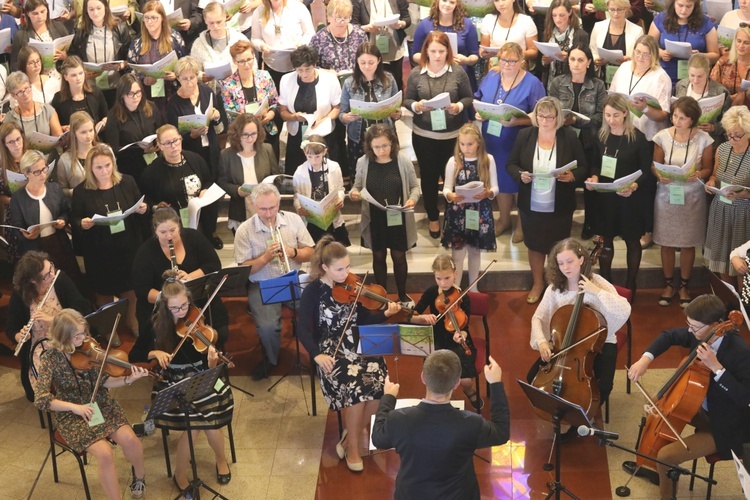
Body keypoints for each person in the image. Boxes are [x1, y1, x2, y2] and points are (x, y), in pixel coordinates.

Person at [626, 294, 750, 500]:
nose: (690, 331)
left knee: (666, 456)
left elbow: (745, 397)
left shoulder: (740, 352)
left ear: (716, 325)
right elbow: (668, 336)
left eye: (695, 327)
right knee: (656, 411)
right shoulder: (701, 334)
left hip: (726, 426)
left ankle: (667, 493)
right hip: (700, 408)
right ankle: (653, 468)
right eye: (689, 325)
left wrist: (717, 369)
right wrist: (644, 359)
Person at [298, 236, 400, 472]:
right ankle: (354, 446)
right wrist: (316, 355)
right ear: (324, 267)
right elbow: (302, 328)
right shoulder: (313, 292)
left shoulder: (353, 287)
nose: (346, 274)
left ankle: (347, 439)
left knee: (378, 386)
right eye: (339, 269)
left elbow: (364, 319)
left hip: (360, 341)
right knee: (355, 387)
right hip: (330, 348)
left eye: (348, 267)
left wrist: (386, 314)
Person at [129, 274, 233, 494]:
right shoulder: (155, 323)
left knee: (204, 421)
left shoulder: (198, 315)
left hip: (203, 375)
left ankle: (216, 461)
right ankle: (186, 472)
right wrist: (154, 352)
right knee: (197, 425)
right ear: (166, 307)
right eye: (175, 309)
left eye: (185, 305)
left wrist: (213, 360)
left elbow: (215, 344)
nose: (182, 312)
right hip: (173, 381)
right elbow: (134, 354)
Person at [34, 309, 149, 500]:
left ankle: (139, 477)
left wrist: (129, 379)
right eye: (77, 335)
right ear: (63, 337)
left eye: (83, 333)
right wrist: (74, 407)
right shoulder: (50, 359)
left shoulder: (89, 349)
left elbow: (105, 381)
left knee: (131, 440)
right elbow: (41, 399)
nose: (83, 338)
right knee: (104, 453)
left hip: (99, 403)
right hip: (72, 414)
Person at [371, 350, 510, 499]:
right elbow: (501, 432)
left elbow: (378, 438)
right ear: (457, 383)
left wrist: (388, 398)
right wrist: (495, 384)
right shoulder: (471, 423)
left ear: (423, 378)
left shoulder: (398, 419)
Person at [526, 238, 631, 415]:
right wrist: (542, 341)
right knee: (532, 377)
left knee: (603, 386)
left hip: (598, 343)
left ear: (581, 259)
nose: (566, 267)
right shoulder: (555, 288)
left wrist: (595, 291)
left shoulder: (597, 282)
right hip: (564, 343)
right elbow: (538, 317)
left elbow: (624, 308)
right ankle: (558, 412)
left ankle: (582, 420)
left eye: (570, 261)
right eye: (560, 263)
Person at [506, 97, 588, 304]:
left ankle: (556, 285)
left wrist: (572, 177)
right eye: (540, 115)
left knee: (559, 248)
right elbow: (511, 164)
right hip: (531, 203)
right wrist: (521, 175)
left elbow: (583, 167)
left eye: (549, 116)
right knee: (534, 245)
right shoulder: (525, 135)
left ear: (558, 118)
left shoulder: (569, 137)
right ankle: (537, 283)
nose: (544, 120)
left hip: (559, 204)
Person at [234, 183, 315, 379]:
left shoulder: (294, 220)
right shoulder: (244, 230)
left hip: (293, 279)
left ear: (278, 203)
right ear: (253, 205)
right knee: (268, 327)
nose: (269, 214)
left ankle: (318, 356)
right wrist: (265, 258)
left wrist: (293, 252)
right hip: (262, 285)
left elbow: (311, 252)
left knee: (320, 310)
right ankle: (271, 360)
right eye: (263, 209)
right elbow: (243, 270)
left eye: (272, 207)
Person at [71, 144, 147, 334]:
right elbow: (75, 218)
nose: (104, 171)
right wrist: (82, 223)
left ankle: (132, 319)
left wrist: (143, 209)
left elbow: (139, 203)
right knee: (103, 290)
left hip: (127, 246)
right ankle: (109, 328)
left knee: (130, 286)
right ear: (90, 168)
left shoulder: (127, 182)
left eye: (107, 165)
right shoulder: (81, 191)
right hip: (99, 251)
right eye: (99, 167)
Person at [474, 42, 545, 243]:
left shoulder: (532, 83)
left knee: (518, 185)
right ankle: (504, 220)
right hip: (492, 141)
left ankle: (522, 225)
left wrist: (517, 121)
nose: (506, 64)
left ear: (522, 61)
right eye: (503, 59)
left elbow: (541, 115)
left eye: (512, 61)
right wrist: (478, 112)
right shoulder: (492, 75)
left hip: (518, 142)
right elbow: (477, 98)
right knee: (499, 182)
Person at [404, 31, 473, 240]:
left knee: (453, 177)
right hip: (424, 135)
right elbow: (407, 100)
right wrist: (416, 106)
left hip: (451, 136)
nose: (437, 55)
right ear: (426, 51)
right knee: (429, 177)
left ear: (448, 51)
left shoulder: (458, 72)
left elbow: (468, 97)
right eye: (432, 51)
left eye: (441, 51)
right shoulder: (417, 72)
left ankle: (454, 216)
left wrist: (459, 106)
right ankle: (433, 216)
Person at [132, 206, 230, 347]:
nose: (169, 236)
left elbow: (213, 264)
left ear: (179, 225)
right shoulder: (145, 252)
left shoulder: (194, 237)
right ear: (155, 231)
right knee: (169, 340)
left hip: (198, 298)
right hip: (165, 307)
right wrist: (169, 297)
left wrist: (190, 277)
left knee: (220, 331)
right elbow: (141, 290)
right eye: (163, 232)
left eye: (173, 230)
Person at [586, 94, 653, 294]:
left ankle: (630, 284)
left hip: (630, 198)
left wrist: (632, 186)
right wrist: (594, 177)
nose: (611, 120)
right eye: (607, 115)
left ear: (625, 113)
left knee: (632, 241)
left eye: (616, 115)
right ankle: (607, 283)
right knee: (606, 239)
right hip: (606, 197)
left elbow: (645, 170)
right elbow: (595, 164)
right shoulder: (601, 135)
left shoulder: (638, 138)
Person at [609, 34, 671, 248]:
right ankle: (624, 225)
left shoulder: (661, 76)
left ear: (654, 55)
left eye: (646, 54)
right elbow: (612, 96)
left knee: (644, 186)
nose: (641, 57)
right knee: (623, 180)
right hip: (622, 134)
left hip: (647, 137)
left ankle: (647, 230)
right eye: (638, 52)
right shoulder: (624, 69)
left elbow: (663, 114)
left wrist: (644, 107)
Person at [652, 96, 713, 307]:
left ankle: (685, 286)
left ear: (692, 120)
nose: (677, 121)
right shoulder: (662, 136)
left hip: (692, 195)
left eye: (682, 118)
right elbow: (655, 165)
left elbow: (707, 167)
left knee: (688, 243)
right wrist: (660, 175)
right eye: (675, 116)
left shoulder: (704, 139)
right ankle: (669, 284)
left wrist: (699, 174)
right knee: (666, 241)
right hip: (667, 193)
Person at [350, 124, 420, 306]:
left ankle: (402, 295)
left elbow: (415, 187)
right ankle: (382, 297)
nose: (381, 150)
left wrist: (411, 200)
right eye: (377, 147)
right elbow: (356, 186)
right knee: (378, 257)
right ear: (370, 146)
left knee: (399, 256)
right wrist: (354, 194)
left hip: (397, 215)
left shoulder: (402, 161)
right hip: (375, 216)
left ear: (392, 143)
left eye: (385, 146)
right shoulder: (363, 162)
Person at [6, 252, 91, 401]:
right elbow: (11, 327)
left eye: (51, 267)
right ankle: (59, 403)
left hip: (68, 338)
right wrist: (19, 336)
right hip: (40, 345)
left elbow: (82, 308)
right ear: (33, 280)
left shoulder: (60, 279)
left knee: (82, 372)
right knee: (47, 376)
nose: (52, 274)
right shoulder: (20, 293)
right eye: (46, 275)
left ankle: (78, 397)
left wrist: (53, 319)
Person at [410, 255, 483, 409]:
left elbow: (465, 326)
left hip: (456, 340)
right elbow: (411, 317)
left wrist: (460, 335)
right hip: (436, 339)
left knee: (466, 380)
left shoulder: (462, 296)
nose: (443, 283)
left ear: (455, 274)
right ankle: (440, 402)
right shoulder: (431, 292)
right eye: (438, 279)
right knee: (435, 378)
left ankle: (469, 391)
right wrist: (423, 318)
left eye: (447, 278)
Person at [548, 44, 606, 240]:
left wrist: (577, 120)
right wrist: (560, 118)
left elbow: (600, 116)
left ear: (589, 62)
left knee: (590, 186)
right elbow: (550, 109)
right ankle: (563, 221)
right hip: (564, 140)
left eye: (581, 60)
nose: (576, 64)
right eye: (572, 59)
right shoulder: (558, 83)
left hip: (589, 140)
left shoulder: (597, 85)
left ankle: (590, 223)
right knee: (565, 183)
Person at [140, 124, 222, 248]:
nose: (173, 146)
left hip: (201, 219)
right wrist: (156, 206)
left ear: (180, 139)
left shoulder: (195, 159)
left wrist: (205, 189)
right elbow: (147, 200)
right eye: (167, 143)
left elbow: (208, 180)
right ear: (160, 145)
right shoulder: (152, 171)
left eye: (176, 141)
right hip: (174, 225)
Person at [10, 150, 83, 285]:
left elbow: (66, 211)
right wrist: (26, 235)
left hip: (59, 244)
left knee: (69, 282)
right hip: (35, 250)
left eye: (44, 168)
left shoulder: (54, 188)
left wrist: (63, 220)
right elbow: (16, 226)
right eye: (37, 172)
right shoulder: (18, 198)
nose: (43, 174)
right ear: (26, 173)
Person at [440, 123, 498, 287]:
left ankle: (473, 288)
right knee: (457, 255)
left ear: (478, 143)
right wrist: (451, 195)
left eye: (470, 144)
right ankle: (456, 288)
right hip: (458, 212)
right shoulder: (454, 161)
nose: (466, 148)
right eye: (462, 144)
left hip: (480, 211)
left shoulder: (488, 160)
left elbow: (496, 187)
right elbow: (446, 188)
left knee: (474, 252)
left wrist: (488, 193)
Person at [339, 42, 400, 187]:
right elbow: (342, 113)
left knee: (387, 174)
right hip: (359, 135)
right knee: (362, 175)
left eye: (371, 62)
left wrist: (397, 114)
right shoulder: (349, 83)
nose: (367, 66)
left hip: (385, 134)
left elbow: (397, 108)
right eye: (362, 62)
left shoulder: (389, 79)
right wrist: (347, 117)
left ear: (379, 60)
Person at [703, 106, 750, 285]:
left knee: (740, 263)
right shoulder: (722, 149)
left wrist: (743, 194)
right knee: (721, 259)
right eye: (729, 134)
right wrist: (711, 182)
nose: (732, 139)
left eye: (737, 135)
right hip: (720, 209)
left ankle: (742, 306)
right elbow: (715, 174)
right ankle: (729, 302)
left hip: (743, 214)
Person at [278, 45, 342, 175]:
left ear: (314, 65)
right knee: (297, 173)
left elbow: (337, 107)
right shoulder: (286, 80)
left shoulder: (329, 79)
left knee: (324, 173)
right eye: (299, 70)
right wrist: (294, 117)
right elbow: (283, 111)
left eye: (308, 69)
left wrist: (324, 120)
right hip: (297, 134)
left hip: (323, 133)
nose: (304, 74)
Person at [167, 55, 228, 183]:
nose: (189, 83)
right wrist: (193, 135)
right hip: (191, 154)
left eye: (192, 78)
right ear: (177, 78)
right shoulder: (173, 103)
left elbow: (221, 129)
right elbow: (174, 135)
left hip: (212, 149)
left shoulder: (207, 92)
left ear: (197, 76)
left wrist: (216, 117)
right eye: (184, 79)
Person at [217, 113, 280, 233]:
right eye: (245, 135)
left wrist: (271, 185)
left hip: (266, 208)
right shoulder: (226, 155)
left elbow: (277, 177)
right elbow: (222, 182)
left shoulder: (267, 149)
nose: (250, 139)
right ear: (236, 134)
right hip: (240, 209)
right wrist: (237, 190)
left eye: (253, 134)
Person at [218, 40, 280, 159]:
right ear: (235, 61)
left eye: (249, 59)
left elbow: (274, 101)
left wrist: (271, 113)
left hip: (266, 129)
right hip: (243, 135)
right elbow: (230, 114)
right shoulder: (228, 84)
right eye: (242, 61)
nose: (246, 64)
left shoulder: (264, 76)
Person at [127, 1, 186, 120]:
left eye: (154, 18)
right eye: (146, 18)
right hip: (147, 98)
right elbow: (130, 71)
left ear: (162, 19)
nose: (149, 22)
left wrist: (176, 75)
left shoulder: (174, 38)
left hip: (172, 94)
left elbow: (185, 64)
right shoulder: (137, 43)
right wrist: (144, 79)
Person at [68, 0, 132, 108]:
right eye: (91, 10)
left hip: (116, 87)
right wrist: (82, 72)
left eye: (98, 8)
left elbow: (130, 57)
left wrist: (123, 65)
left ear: (106, 8)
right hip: (91, 88)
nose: (95, 13)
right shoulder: (81, 32)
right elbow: (73, 57)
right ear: (86, 11)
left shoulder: (120, 28)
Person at [104, 74, 163, 189]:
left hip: (155, 161)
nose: (135, 97)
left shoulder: (151, 107)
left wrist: (158, 144)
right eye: (131, 94)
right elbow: (114, 149)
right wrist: (140, 151)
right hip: (131, 167)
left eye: (138, 92)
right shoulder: (114, 116)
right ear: (122, 95)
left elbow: (161, 130)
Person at [292, 134, 349, 245]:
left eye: (317, 156)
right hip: (311, 217)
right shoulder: (299, 172)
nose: (314, 161)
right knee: (315, 249)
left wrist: (340, 199)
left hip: (330, 215)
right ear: (304, 152)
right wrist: (298, 207)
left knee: (333, 248)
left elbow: (340, 189)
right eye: (309, 157)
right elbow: (296, 195)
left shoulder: (334, 167)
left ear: (324, 151)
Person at [412, 0, 479, 91]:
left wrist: (466, 60)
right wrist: (431, 59)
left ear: (457, 4)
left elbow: (475, 55)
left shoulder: (467, 25)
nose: (447, 5)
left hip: (460, 74)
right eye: (444, 0)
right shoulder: (424, 25)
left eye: (452, 2)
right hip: (432, 75)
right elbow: (415, 54)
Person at [648, 0, 719, 85]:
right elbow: (649, 47)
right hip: (665, 74)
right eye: (680, 5)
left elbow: (715, 55)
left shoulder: (705, 22)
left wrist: (699, 56)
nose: (684, 10)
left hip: (694, 78)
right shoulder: (661, 18)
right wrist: (662, 53)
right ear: (673, 3)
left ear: (695, 6)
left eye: (688, 6)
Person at [250, 0, 315, 87]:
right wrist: (261, 46)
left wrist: (302, 44)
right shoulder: (259, 12)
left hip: (298, 64)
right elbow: (255, 38)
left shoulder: (298, 7)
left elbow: (309, 33)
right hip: (272, 64)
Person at [351, 0, 410, 92]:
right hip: (370, 49)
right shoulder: (359, 1)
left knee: (396, 80)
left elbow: (407, 18)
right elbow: (353, 25)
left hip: (394, 47)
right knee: (373, 80)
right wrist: (366, 28)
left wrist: (401, 24)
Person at [189, 1, 249, 91]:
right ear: (205, 21)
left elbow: (253, 65)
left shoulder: (238, 39)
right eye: (211, 23)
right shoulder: (198, 45)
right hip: (211, 93)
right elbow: (193, 71)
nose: (216, 26)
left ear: (225, 16)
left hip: (237, 92)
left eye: (219, 22)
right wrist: (202, 76)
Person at [674, 53, 731, 145]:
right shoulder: (681, 86)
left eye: (700, 76)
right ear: (688, 71)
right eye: (692, 75)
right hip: (683, 138)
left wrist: (714, 127)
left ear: (708, 72)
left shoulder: (720, 91)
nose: (696, 80)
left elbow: (728, 121)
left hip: (708, 141)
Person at [590, 0, 644, 86]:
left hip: (626, 79)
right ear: (607, 8)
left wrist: (630, 59)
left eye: (619, 10)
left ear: (626, 9)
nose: (615, 14)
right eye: (612, 9)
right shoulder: (598, 26)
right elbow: (593, 50)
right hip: (602, 78)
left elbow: (641, 56)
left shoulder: (637, 31)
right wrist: (596, 60)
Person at [309, 0, 369, 74]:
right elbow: (311, 66)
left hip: (356, 81)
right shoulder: (318, 39)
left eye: (346, 18)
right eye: (338, 18)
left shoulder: (360, 34)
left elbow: (368, 58)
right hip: (331, 82)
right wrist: (327, 72)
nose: (342, 22)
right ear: (329, 17)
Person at [51, 56, 109, 130]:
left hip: (96, 138)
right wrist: (64, 128)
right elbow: (55, 126)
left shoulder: (96, 92)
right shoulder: (58, 99)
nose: (78, 78)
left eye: (81, 73)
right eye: (73, 75)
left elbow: (106, 116)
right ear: (65, 77)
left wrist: (104, 122)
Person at [10, 0, 69, 71]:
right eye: (35, 13)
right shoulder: (21, 35)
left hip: (58, 72)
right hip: (33, 77)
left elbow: (73, 53)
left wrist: (65, 56)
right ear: (28, 14)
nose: (40, 16)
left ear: (47, 10)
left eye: (42, 12)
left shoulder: (58, 27)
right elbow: (14, 64)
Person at [3, 71, 63, 139]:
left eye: (26, 89)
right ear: (13, 96)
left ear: (30, 86)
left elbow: (58, 138)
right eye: (20, 92)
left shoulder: (48, 110)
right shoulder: (9, 119)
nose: (25, 94)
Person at [540, 0, 589, 82]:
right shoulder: (548, 33)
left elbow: (586, 61)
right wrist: (544, 62)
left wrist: (570, 58)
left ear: (570, 12)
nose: (557, 19)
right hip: (552, 81)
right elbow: (542, 67)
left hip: (572, 81)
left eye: (561, 15)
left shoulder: (581, 35)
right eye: (554, 15)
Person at [479, 0, 538, 67]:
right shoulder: (488, 19)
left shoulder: (526, 21)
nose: (501, 4)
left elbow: (533, 51)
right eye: (496, 1)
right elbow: (483, 47)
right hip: (495, 67)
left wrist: (514, 55)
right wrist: (483, 54)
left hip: (518, 67)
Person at [0, 122, 27, 264]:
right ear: (4, 144)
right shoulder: (2, 166)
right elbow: (1, 195)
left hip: (34, 210)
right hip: (15, 214)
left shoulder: (32, 157)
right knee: (21, 260)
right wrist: (14, 201)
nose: (16, 145)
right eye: (11, 142)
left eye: (18, 139)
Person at [57, 111, 99, 197]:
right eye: (83, 132)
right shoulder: (65, 160)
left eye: (91, 130)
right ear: (74, 133)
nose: (89, 136)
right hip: (80, 204)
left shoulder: (104, 151)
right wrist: (73, 192)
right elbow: (61, 190)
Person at [710, 24, 750, 106]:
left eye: (746, 43)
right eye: (738, 41)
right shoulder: (723, 61)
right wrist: (733, 98)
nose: (741, 46)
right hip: (724, 110)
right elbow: (712, 89)